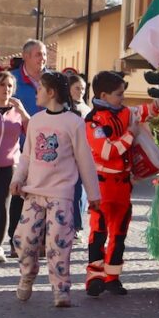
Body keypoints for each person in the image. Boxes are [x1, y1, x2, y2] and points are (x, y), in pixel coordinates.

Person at [9, 72, 100, 307]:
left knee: (58, 243)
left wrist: (94, 195)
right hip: (34, 192)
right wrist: (18, 178)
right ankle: (27, 275)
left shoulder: (74, 122)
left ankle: (61, 290)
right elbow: (27, 155)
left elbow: (84, 160)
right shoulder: (36, 121)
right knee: (23, 240)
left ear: (50, 93)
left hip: (61, 195)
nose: (36, 92)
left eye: (40, 89)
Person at [83, 71, 159, 297]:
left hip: (123, 186)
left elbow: (142, 112)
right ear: (104, 95)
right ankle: (94, 277)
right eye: (119, 95)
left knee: (119, 234)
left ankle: (112, 277)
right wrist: (130, 135)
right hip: (102, 186)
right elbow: (107, 151)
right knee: (98, 233)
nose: (123, 98)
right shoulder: (93, 121)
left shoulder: (125, 112)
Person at [7, 39, 47, 255]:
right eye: (38, 54)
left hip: (48, 148)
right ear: (26, 56)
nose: (43, 59)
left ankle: (39, 240)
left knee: (42, 195)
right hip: (18, 147)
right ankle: (15, 240)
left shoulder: (52, 79)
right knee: (17, 194)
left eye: (44, 55)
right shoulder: (11, 79)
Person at [0, 72, 29, 263]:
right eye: (2, 85)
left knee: (1, 205)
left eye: (9, 86)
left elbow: (33, 130)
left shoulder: (16, 111)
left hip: (8, 165)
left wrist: (23, 112)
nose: (6, 89)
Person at [68, 73, 90, 239]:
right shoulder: (63, 108)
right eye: (77, 88)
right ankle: (71, 224)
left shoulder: (87, 109)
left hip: (83, 155)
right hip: (67, 156)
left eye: (83, 88)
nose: (81, 91)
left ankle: (77, 226)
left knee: (80, 193)